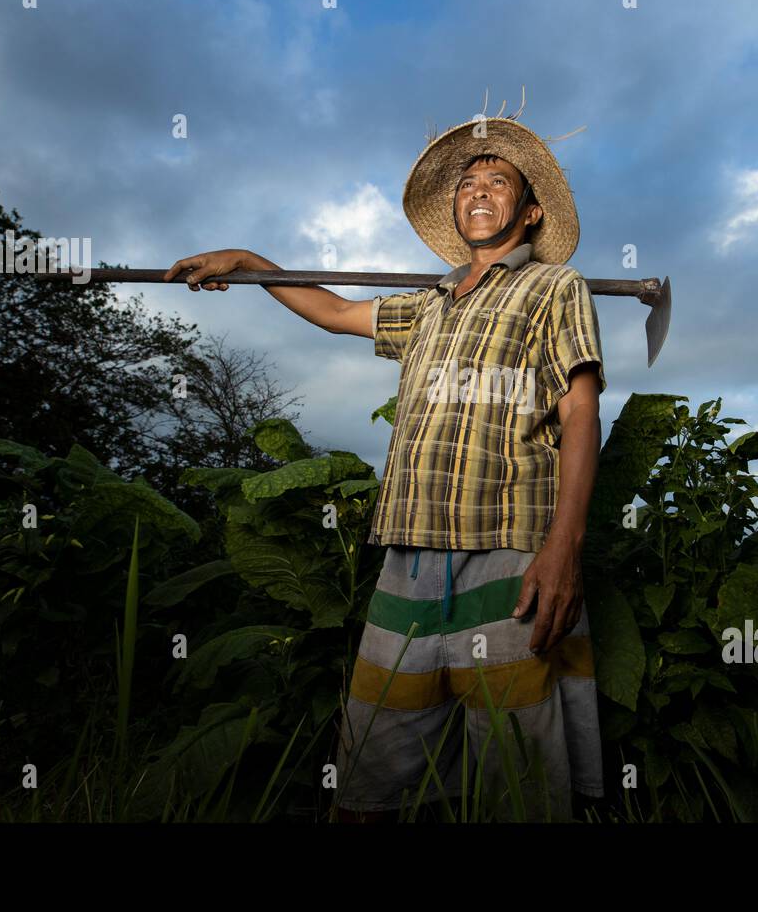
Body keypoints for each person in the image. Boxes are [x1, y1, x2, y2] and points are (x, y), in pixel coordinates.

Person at [163, 114, 607, 822]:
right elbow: (334, 310)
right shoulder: (426, 307)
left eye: (498, 180)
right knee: (372, 764)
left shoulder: (554, 288)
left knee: (514, 777)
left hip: (509, 547)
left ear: (528, 210)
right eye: (467, 183)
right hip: (409, 553)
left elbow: (580, 412)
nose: (478, 190)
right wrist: (248, 261)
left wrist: (564, 548)